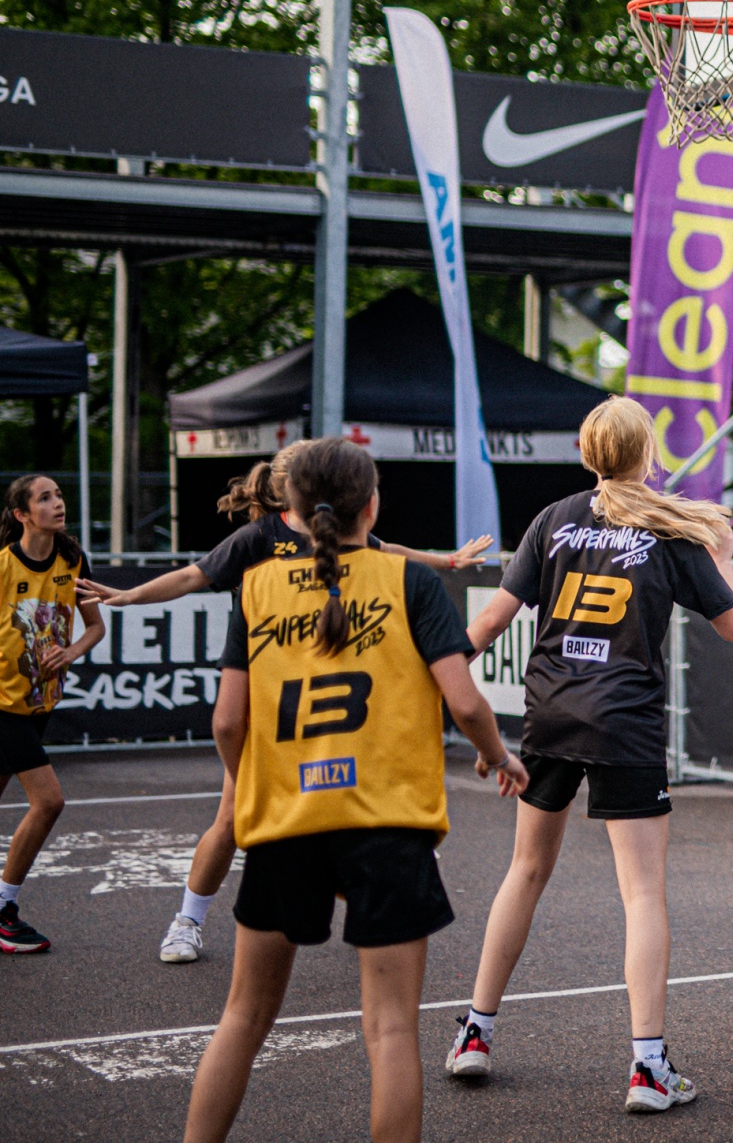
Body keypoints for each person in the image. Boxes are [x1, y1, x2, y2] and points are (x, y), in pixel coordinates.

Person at [182, 439, 526, 1143]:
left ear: (292, 508)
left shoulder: (259, 588)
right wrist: (498, 756)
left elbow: (227, 721)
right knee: (391, 1028)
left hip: (287, 819)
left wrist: (251, 783)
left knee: (243, 1016)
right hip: (387, 822)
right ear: (371, 506)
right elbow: (464, 701)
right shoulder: (407, 581)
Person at [78, 448, 491, 967]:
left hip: (329, 700)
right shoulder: (259, 539)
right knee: (233, 817)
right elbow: (191, 577)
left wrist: (448, 560)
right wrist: (130, 595)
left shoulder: (350, 536)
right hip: (275, 704)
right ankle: (187, 920)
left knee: (349, 814)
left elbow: (392, 551)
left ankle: (376, 904)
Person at [449, 396, 733, 1113]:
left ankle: (475, 1033)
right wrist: (723, 558)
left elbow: (487, 623)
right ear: (647, 454)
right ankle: (648, 1067)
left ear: (587, 456)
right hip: (625, 722)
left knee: (525, 871)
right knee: (641, 893)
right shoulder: (669, 530)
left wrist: (433, 683)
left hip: (552, 712)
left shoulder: (553, 519)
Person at [0, 475, 105, 953]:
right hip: (3, 706)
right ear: (22, 514)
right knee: (49, 802)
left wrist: (70, 652)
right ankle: (4, 909)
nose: (58, 503)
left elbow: (95, 626)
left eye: (59, 495)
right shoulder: (4, 565)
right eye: (45, 498)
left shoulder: (72, 559)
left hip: (39, 701)